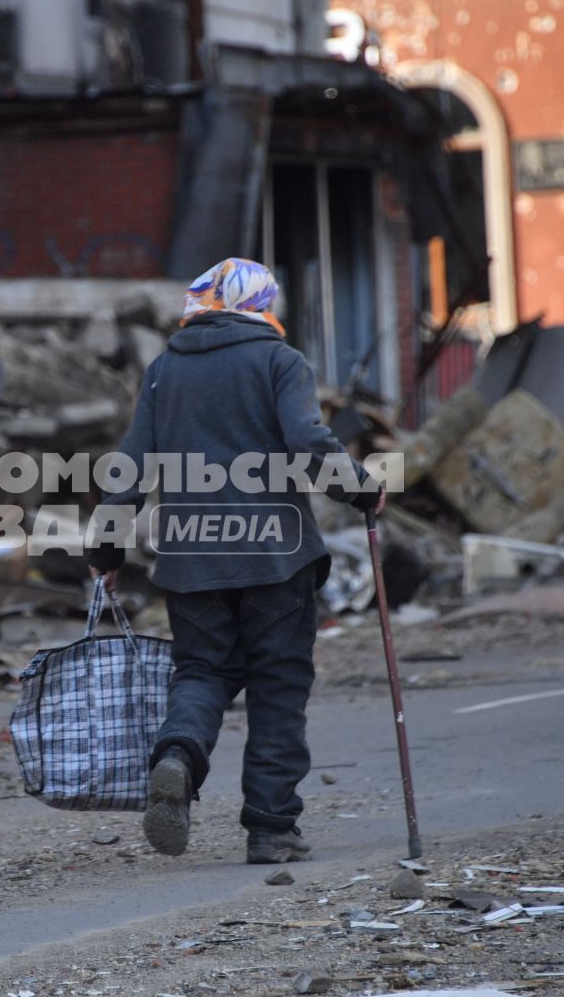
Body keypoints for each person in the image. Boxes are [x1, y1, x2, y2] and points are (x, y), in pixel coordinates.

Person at [85, 257, 378, 864]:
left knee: (202, 674)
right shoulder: (280, 361)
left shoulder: (166, 369)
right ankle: (271, 827)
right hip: (276, 559)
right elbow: (307, 443)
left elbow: (131, 462)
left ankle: (176, 759)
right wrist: (360, 487)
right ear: (261, 304)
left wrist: (106, 546)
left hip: (192, 558)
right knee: (277, 684)